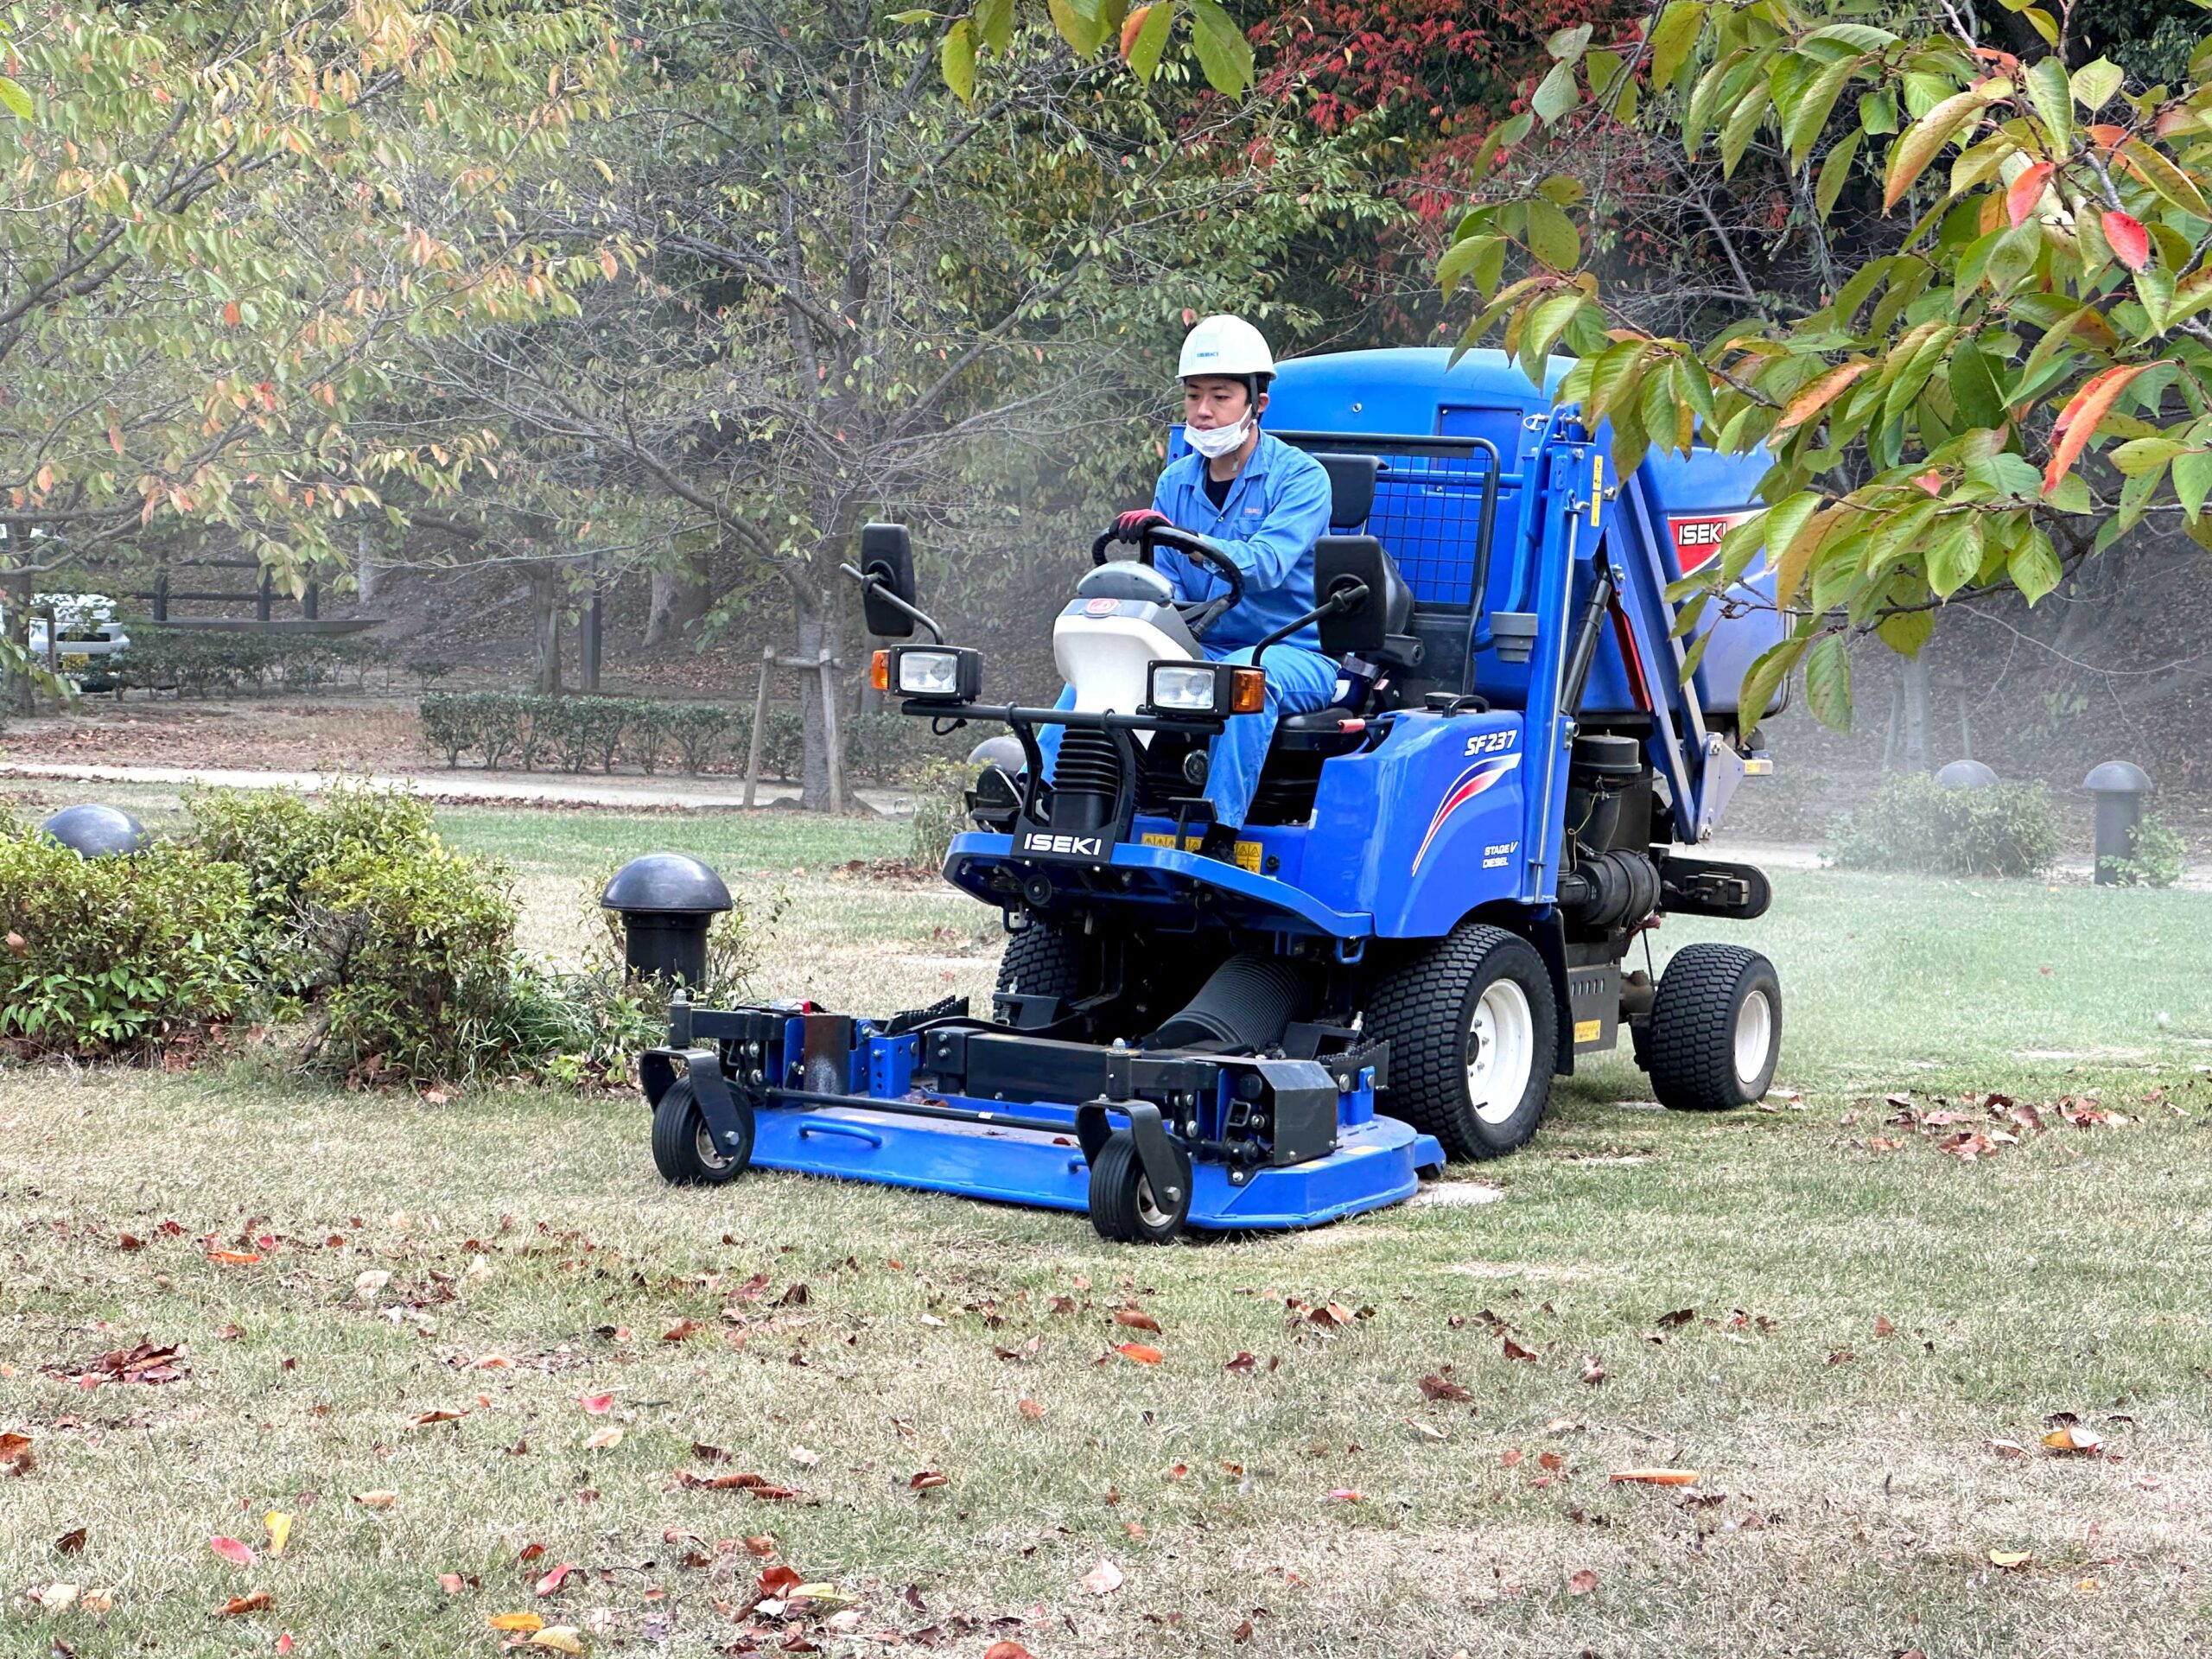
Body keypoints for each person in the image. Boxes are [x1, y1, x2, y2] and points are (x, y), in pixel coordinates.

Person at [1039, 315, 1338, 856]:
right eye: (1194, 395)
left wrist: (1185, 537)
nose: (1203, 410)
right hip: (1198, 645)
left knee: (1245, 677)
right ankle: (1044, 798)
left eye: (1220, 397)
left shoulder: (1302, 478)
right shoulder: (1175, 479)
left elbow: (1266, 564)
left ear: (1257, 403)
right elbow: (1169, 588)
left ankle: (1219, 833)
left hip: (1290, 649)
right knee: (1099, 668)